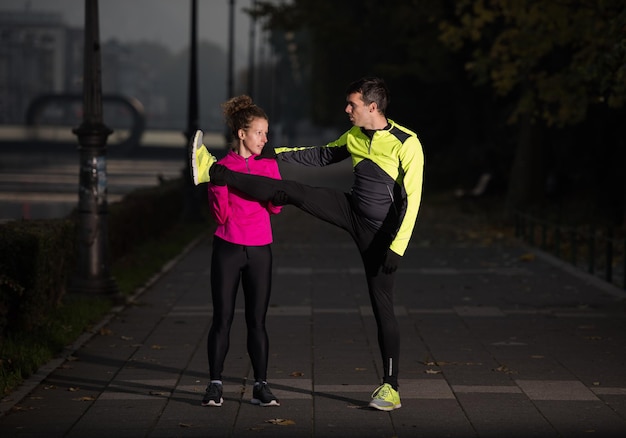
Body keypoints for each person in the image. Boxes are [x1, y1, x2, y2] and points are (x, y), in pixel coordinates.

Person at [191, 77, 424, 411]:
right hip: (350, 210)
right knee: (291, 190)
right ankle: (213, 171)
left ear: (372, 107)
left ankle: (390, 388)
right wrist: (273, 153)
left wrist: (397, 248)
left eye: (352, 105)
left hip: (381, 235)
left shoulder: (407, 142)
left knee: (381, 306)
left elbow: (413, 201)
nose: (347, 110)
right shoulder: (355, 136)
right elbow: (319, 156)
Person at [200, 95, 283, 408]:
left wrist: (277, 193)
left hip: (261, 250)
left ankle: (261, 386)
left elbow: (275, 209)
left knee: (257, 321)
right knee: (222, 319)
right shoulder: (221, 167)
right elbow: (220, 216)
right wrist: (219, 185)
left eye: (266, 132)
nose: (265, 138)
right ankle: (215, 385)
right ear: (242, 134)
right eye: (260, 132)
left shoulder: (269, 166)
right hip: (228, 248)